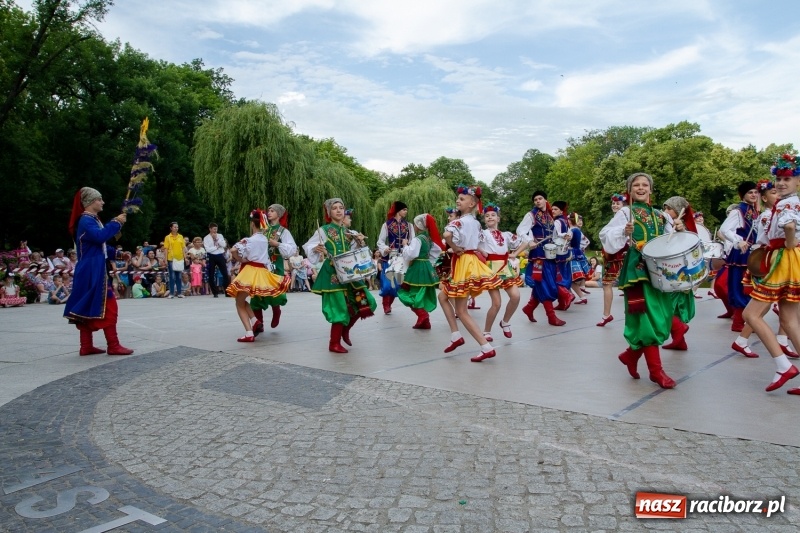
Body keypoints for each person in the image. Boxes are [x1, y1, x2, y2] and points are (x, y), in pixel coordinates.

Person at [600, 172, 680, 389]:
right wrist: (622, 232)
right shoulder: (626, 212)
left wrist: (678, 231)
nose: (641, 188)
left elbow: (670, 243)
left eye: (645, 185)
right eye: (637, 185)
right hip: (637, 273)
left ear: (651, 189)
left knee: (660, 317)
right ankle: (656, 371)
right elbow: (606, 235)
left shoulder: (661, 215)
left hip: (658, 272)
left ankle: (631, 355)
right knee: (644, 319)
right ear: (630, 189)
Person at [742, 155, 800, 393]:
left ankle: (782, 365)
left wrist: (788, 242)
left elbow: (789, 226)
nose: (781, 183)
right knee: (789, 320)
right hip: (792, 258)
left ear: (797, 181)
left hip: (783, 258)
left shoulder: (787, 204)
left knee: (751, 314)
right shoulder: (791, 202)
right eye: (779, 179)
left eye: (787, 179)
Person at [731, 179, 798, 359]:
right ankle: (749, 341)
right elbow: (784, 231)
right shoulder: (773, 211)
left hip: (779, 257)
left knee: (770, 309)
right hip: (775, 259)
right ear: (766, 198)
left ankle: (749, 342)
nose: (778, 189)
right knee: (770, 310)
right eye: (774, 190)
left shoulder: (785, 206)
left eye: (786, 180)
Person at [63, 187, 133, 356]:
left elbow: (99, 245)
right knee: (110, 305)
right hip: (92, 269)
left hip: (90, 267)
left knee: (87, 305)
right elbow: (100, 237)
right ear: (90, 202)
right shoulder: (87, 221)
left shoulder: (91, 220)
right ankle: (113, 345)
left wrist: (118, 254)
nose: (102, 202)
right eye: (99, 199)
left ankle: (86, 346)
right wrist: (116, 222)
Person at [304, 198, 377, 353]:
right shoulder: (323, 230)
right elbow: (309, 246)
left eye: (341, 208)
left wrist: (360, 242)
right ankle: (334, 343)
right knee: (339, 308)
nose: (338, 210)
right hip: (332, 273)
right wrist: (318, 249)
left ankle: (345, 330)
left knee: (366, 302)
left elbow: (356, 253)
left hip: (350, 273)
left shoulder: (347, 231)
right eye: (334, 208)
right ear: (329, 212)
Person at [440, 185, 502, 362]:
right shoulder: (475, 223)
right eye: (458, 199)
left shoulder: (459, 221)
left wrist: (455, 248)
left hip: (464, 264)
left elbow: (446, 234)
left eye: (462, 199)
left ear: (472, 203)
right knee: (443, 297)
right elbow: (482, 248)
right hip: (472, 261)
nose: (458, 201)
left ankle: (485, 346)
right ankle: (455, 335)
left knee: (461, 309)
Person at [226, 209, 292, 341]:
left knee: (239, 302)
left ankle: (249, 332)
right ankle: (254, 321)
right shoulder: (264, 240)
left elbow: (233, 249)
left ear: (252, 224)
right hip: (262, 271)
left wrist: (240, 259)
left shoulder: (249, 240)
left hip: (250, 271)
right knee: (241, 299)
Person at [515, 191, 566, 326]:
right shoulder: (531, 215)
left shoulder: (550, 215)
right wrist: (529, 240)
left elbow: (554, 235)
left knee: (547, 283)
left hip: (550, 254)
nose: (537, 201)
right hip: (537, 254)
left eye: (540, 198)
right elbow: (520, 230)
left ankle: (529, 308)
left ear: (545, 200)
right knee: (544, 282)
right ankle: (551, 316)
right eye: (535, 199)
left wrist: (564, 236)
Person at [659, 196, 700, 351]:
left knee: (667, 304)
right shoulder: (667, 223)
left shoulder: (684, 227)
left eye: (669, 209)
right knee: (671, 305)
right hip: (671, 268)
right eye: (665, 208)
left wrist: (681, 230)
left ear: (678, 211)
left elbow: (690, 245)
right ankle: (679, 340)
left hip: (677, 270)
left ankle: (679, 329)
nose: (666, 211)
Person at [478, 204, 522, 340]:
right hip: (491, 268)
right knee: (496, 303)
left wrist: (515, 253)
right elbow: (472, 243)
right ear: (484, 220)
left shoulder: (506, 235)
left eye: (493, 215)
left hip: (505, 267)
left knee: (516, 296)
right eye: (487, 216)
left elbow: (524, 241)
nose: (490, 217)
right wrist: (481, 251)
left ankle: (505, 322)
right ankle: (486, 331)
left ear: (498, 218)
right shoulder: (482, 234)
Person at [250, 204, 298, 329]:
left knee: (275, 293)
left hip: (276, 266)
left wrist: (277, 244)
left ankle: (276, 311)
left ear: (279, 214)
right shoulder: (262, 229)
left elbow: (292, 249)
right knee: (257, 293)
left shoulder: (283, 231)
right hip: (261, 266)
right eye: (268, 210)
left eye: (272, 211)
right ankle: (258, 323)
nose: (269, 212)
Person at [720, 181, 759, 331]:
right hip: (740, 254)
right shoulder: (738, 211)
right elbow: (725, 229)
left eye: (756, 192)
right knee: (740, 286)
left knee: (751, 286)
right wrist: (739, 241)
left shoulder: (754, 211)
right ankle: (738, 322)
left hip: (751, 253)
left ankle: (748, 321)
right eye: (750, 192)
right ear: (743, 195)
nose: (754, 195)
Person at [397, 213, 442, 329]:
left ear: (417, 226)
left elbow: (412, 254)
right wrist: (428, 262)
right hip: (426, 266)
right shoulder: (429, 239)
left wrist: (405, 245)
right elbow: (436, 252)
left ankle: (423, 315)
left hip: (417, 267)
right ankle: (424, 321)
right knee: (421, 292)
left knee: (411, 292)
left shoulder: (417, 239)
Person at [377, 201, 414, 314]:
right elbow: (380, 241)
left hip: (402, 258)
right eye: (404, 210)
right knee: (388, 284)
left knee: (397, 284)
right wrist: (385, 248)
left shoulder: (409, 225)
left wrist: (407, 245)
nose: (406, 212)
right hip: (389, 258)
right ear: (398, 211)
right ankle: (385, 304)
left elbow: (413, 241)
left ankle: (389, 304)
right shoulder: (387, 224)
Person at [597, 193, 629, 326]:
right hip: (612, 256)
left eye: (618, 203)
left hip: (620, 255)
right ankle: (606, 315)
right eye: (614, 203)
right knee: (607, 284)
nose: (615, 205)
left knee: (625, 284)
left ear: (623, 205)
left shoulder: (623, 216)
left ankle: (608, 315)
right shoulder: (616, 219)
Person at [550, 201, 574, 311]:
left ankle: (567, 295)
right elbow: (570, 233)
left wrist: (564, 235)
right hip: (565, 250)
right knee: (564, 274)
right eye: (552, 209)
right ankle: (562, 302)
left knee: (556, 275)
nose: (553, 211)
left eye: (555, 209)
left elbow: (558, 234)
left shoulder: (557, 221)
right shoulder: (565, 220)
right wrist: (568, 236)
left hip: (558, 250)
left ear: (560, 210)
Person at [567, 213, 591, 304]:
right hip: (578, 253)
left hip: (571, 254)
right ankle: (579, 293)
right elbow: (586, 242)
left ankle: (574, 295)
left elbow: (567, 243)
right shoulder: (577, 230)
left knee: (569, 277)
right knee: (570, 277)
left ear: (569, 221)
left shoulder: (571, 231)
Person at [204, 223, 230, 297]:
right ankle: (215, 292)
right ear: (210, 229)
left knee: (225, 273)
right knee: (211, 274)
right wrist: (216, 247)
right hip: (211, 256)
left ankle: (227, 292)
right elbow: (208, 249)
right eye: (214, 229)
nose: (215, 230)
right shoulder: (206, 238)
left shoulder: (220, 235)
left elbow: (224, 245)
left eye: (216, 229)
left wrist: (217, 239)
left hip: (220, 255)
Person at [164, 222, 187, 298]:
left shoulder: (180, 236)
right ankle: (171, 293)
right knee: (172, 276)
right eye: (174, 227)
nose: (176, 228)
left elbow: (183, 248)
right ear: (171, 228)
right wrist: (165, 259)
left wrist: (185, 257)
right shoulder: (168, 237)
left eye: (177, 227)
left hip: (179, 258)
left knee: (179, 276)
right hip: (171, 258)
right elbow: (166, 249)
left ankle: (179, 293)